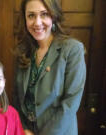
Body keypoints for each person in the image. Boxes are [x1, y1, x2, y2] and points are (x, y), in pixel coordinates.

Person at [12, 0, 86, 135]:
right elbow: (17, 98)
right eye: (31, 16)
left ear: (54, 15)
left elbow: (70, 104)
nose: (37, 22)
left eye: (44, 14)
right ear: (25, 19)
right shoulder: (23, 52)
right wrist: (24, 129)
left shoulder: (72, 50)